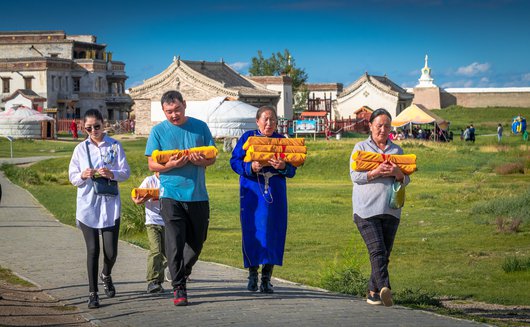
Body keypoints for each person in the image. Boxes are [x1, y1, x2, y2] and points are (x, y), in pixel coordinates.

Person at [145, 90, 216, 306]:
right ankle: (179, 288)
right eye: (169, 112)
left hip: (197, 195)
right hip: (170, 195)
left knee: (197, 242)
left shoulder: (200, 127)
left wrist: (198, 161)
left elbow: (211, 159)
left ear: (184, 105)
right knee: (174, 243)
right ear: (163, 111)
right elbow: (151, 164)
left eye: (177, 110)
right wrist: (171, 165)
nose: (173, 115)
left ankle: (179, 270)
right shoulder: (158, 131)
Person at [230, 106, 297, 294]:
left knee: (273, 232)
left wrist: (283, 166)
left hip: (275, 194)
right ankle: (252, 275)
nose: (269, 123)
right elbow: (234, 161)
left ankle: (267, 278)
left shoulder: (282, 141)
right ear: (257, 121)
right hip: (253, 193)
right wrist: (250, 166)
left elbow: (292, 170)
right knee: (254, 232)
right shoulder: (247, 139)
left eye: (273, 120)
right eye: (265, 119)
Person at [68, 109, 130, 309]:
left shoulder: (114, 145)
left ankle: (106, 274)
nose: (93, 130)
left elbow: (125, 172)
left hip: (110, 206)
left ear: (104, 124)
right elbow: (73, 177)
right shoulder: (79, 149)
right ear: (83, 127)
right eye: (88, 128)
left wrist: (111, 173)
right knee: (93, 250)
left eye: (97, 126)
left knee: (111, 252)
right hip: (88, 205)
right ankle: (92, 293)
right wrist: (84, 175)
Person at [349, 108, 411, 307]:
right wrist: (375, 172)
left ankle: (373, 292)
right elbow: (355, 176)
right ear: (370, 126)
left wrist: (397, 173)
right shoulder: (360, 148)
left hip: (391, 209)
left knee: (384, 253)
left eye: (386, 126)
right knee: (377, 251)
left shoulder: (397, 150)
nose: (383, 130)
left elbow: (406, 179)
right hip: (366, 210)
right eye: (379, 126)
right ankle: (386, 287)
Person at [131, 172, 167, 294]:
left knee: (168, 254)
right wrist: (142, 198)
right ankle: (153, 281)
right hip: (153, 222)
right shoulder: (149, 180)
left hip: (168, 222)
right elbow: (136, 197)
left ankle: (159, 281)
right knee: (156, 250)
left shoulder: (170, 180)